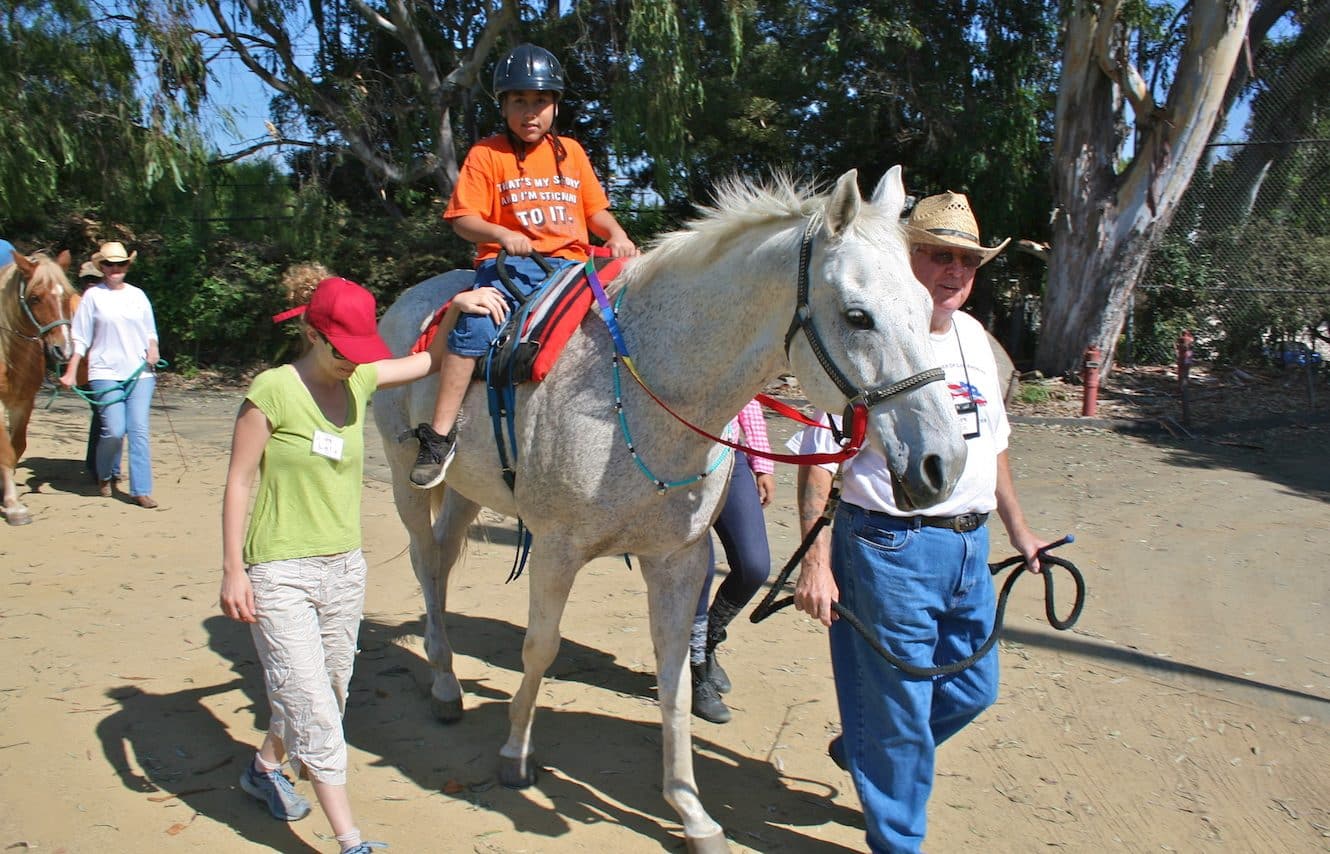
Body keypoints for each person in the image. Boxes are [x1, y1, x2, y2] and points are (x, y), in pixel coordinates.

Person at [791, 191, 1050, 854]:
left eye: (966, 259)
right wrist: (816, 564)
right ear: (906, 257)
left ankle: (870, 748)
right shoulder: (869, 332)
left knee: (973, 688)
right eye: (938, 254)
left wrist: (1020, 531)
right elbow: (820, 463)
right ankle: (897, 838)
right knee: (902, 712)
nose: (955, 270)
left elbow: (994, 446)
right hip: (887, 546)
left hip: (970, 544)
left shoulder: (975, 340)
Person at [219, 277, 493, 853]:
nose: (351, 362)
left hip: (343, 568)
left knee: (327, 693)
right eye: (341, 349)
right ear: (312, 334)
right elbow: (240, 480)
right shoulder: (271, 390)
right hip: (277, 570)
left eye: (358, 350)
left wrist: (456, 310)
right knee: (317, 712)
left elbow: (429, 361)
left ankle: (265, 768)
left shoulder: (362, 377)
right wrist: (233, 569)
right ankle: (350, 840)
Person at [408, 43, 639, 489]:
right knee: (475, 326)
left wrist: (616, 234)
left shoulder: (571, 152)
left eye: (539, 101)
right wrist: (499, 234)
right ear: (503, 105)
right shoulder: (486, 155)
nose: (529, 112)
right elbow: (463, 220)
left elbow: (593, 211)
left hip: (573, 266)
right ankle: (439, 435)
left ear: (554, 105)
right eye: (519, 101)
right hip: (512, 265)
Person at [690, 399, 775, 723]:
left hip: (729, 452)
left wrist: (761, 461)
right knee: (698, 570)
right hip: (675, 457)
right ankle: (695, 671)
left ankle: (708, 640)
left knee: (754, 567)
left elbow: (747, 395)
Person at [58, 242, 160, 508]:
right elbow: (80, 336)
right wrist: (71, 370)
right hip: (104, 370)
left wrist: (153, 349)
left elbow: (150, 331)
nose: (115, 269)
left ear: (127, 265)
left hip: (140, 372)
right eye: (110, 264)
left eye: (121, 264)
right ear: (101, 267)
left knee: (138, 429)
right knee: (114, 429)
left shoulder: (138, 295)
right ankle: (104, 474)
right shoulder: (93, 297)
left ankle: (141, 490)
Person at [75, 256, 104, 482]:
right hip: (87, 371)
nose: (91, 283)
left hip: (105, 369)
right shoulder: (75, 302)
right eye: (87, 279)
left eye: (95, 278)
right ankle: (97, 467)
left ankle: (96, 464)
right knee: (102, 415)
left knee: (102, 415)